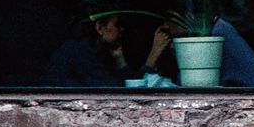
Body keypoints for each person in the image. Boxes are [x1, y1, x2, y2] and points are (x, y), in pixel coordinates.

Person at [43, 14, 171, 87]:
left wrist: (119, 58)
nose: (122, 30)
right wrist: (153, 57)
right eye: (117, 25)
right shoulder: (79, 52)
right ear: (99, 28)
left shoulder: (101, 51)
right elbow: (121, 92)